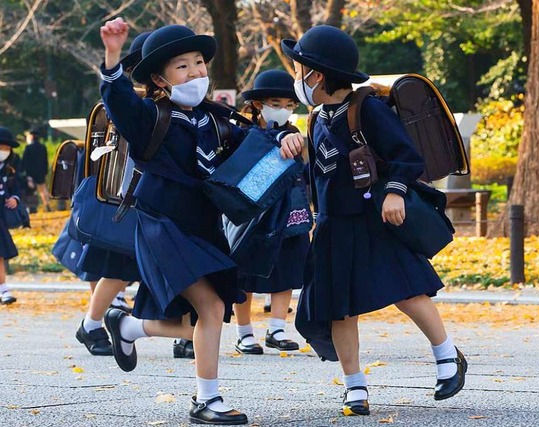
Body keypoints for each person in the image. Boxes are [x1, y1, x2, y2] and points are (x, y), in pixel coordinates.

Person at [279, 25, 467, 416]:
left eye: (302, 71)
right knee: (338, 307)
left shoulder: (368, 109)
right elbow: (319, 173)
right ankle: (355, 387)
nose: (298, 78)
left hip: (374, 217)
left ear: (318, 74)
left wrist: (396, 191)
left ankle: (448, 357)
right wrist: (290, 144)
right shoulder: (316, 117)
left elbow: (407, 157)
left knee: (407, 289)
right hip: (332, 224)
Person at [99, 19, 276, 425]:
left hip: (203, 226)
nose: (196, 71)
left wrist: (283, 140)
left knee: (195, 320)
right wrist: (112, 58)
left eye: (199, 62)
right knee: (211, 309)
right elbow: (119, 101)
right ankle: (206, 401)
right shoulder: (149, 117)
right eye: (183, 66)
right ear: (160, 80)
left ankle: (128, 327)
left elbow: (249, 151)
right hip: (163, 224)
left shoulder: (215, 119)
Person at [73, 31, 150, 358]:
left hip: (143, 201)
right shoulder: (132, 102)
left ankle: (180, 333)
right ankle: (92, 325)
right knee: (119, 268)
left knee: (125, 269)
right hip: (127, 200)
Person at [229, 69, 310, 355]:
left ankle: (277, 328)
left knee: (287, 267)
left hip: (291, 211)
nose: (283, 110)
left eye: (289, 105)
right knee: (245, 271)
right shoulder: (241, 134)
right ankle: (243, 332)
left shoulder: (294, 134)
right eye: (276, 103)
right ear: (257, 105)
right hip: (253, 215)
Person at [0, 127, 22, 305]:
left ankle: (3, 289)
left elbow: (17, 188)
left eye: (7, 147)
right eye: (1, 146)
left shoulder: (10, 168)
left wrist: (15, 198)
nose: (4, 151)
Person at [22, 125, 50, 212]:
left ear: (31, 137)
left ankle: (32, 208)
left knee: (32, 191)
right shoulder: (43, 147)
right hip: (41, 172)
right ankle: (47, 205)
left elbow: (25, 161)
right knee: (43, 189)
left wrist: (26, 173)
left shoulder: (28, 148)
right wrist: (45, 172)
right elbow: (45, 160)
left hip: (31, 173)